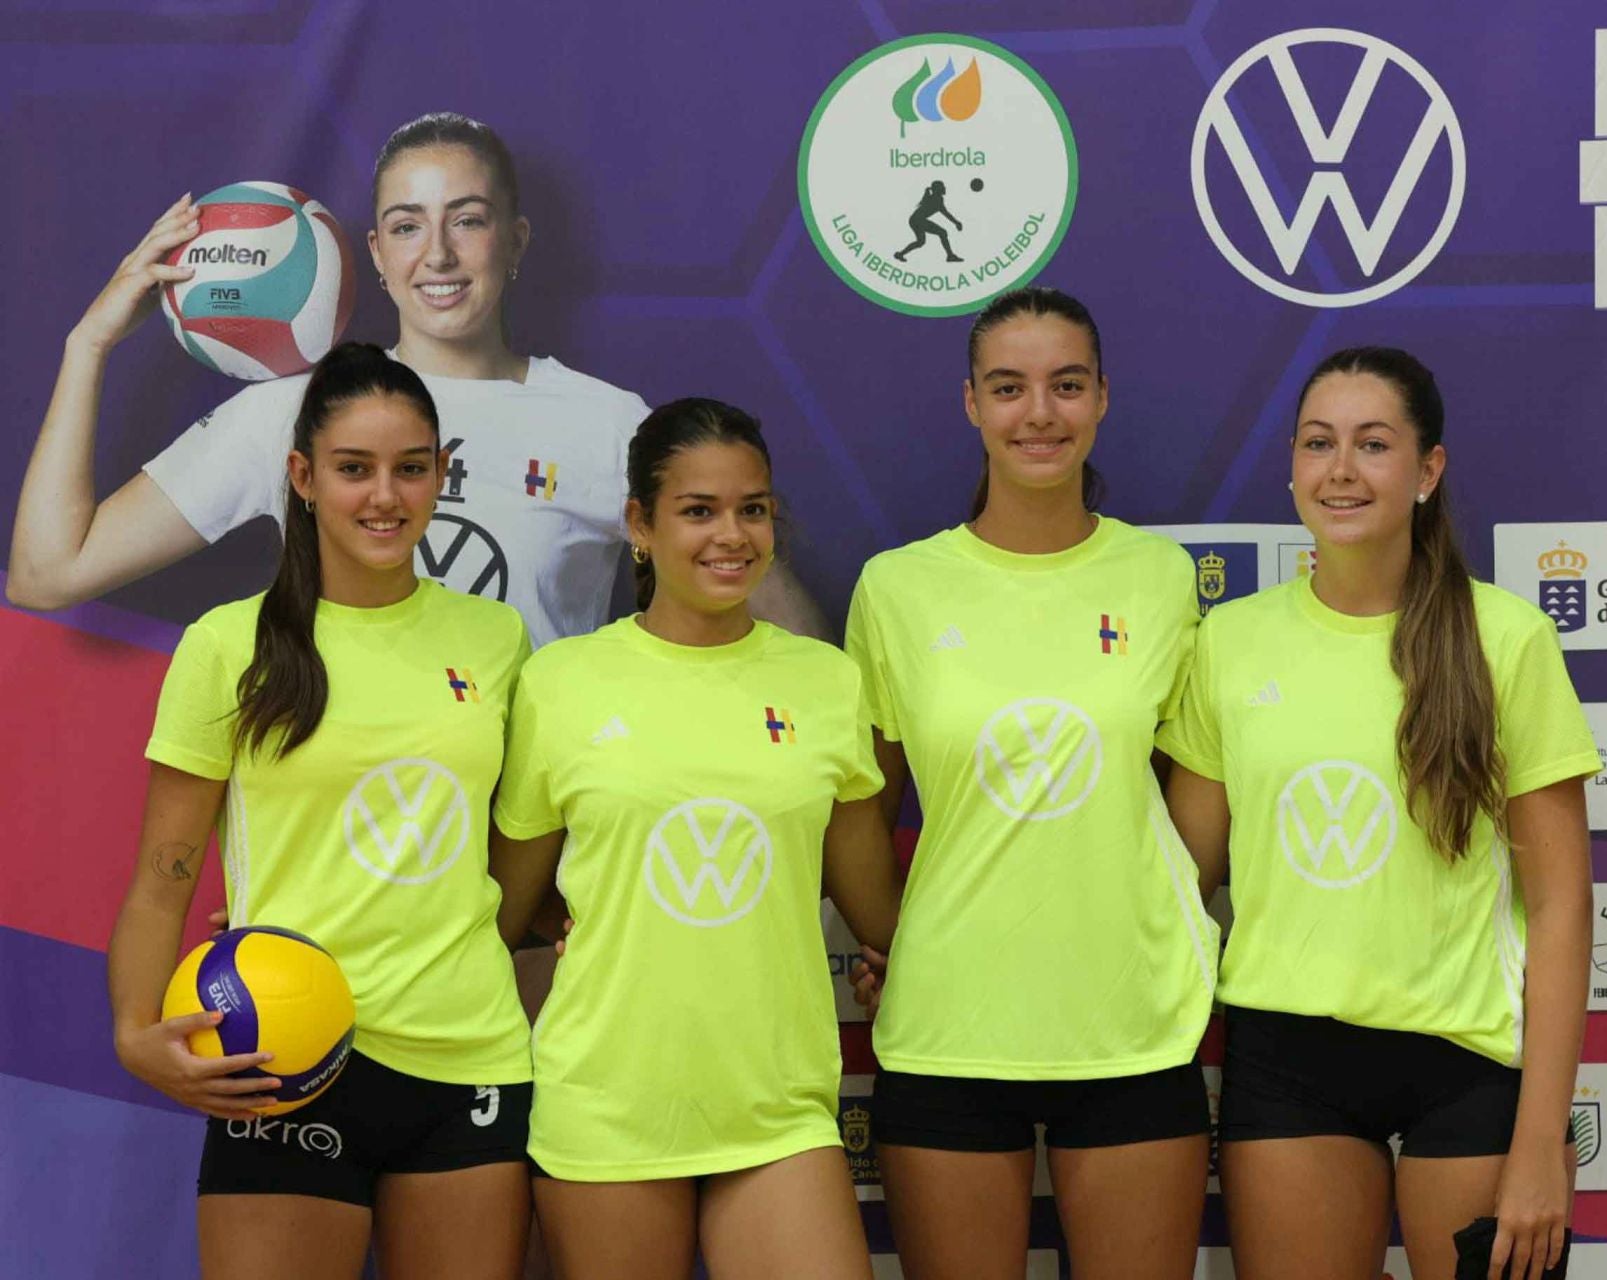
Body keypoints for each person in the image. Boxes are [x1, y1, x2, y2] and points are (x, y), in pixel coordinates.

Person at [7, 110, 822, 646]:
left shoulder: (612, 426)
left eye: (467, 220)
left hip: (529, 857)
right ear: (374, 256)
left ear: (516, 240)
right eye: (407, 225)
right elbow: (48, 574)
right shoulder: (294, 411)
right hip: (344, 839)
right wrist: (89, 345)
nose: (437, 254)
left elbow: (800, 650)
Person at [1158, 347, 1599, 1280]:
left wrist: (1539, 1144)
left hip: (1471, 1063)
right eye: (1319, 444)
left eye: (1373, 444)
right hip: (1287, 1063)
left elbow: (1561, 909)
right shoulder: (1230, 643)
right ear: (1291, 466)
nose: (1342, 470)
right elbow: (1174, 884)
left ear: (1427, 470)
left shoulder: (1506, 640)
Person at [107, 343, 533, 1280]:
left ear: (440, 474)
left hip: (471, 1056)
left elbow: (517, 849)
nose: (385, 496)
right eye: (353, 469)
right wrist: (138, 1034)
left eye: (410, 468)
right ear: (302, 477)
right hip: (283, 1057)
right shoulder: (229, 645)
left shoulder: (496, 639)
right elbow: (161, 876)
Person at [842, 286, 1217, 1279]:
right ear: (971, 403)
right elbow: (861, 817)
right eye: (1009, 387)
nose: (1038, 413)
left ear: (1102, 399)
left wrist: (1165, 915)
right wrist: (896, 941)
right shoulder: (896, 587)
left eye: (1066, 385)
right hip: (947, 1031)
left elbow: (1198, 802)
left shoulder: (1161, 576)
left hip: (1133, 1026)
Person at [488, 398, 901, 1280]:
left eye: (752, 509)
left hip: (777, 1108)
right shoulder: (561, 684)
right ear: (639, 524)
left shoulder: (827, 683)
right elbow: (494, 913)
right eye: (698, 510)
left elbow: (881, 918)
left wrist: (902, 958)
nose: (732, 536)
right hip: (606, 1108)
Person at [893, 181, 963, 264]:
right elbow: (946, 213)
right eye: (942, 187)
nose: (945, 188)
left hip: (915, 220)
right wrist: (956, 223)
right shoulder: (937, 199)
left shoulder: (936, 198)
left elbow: (945, 213)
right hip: (918, 220)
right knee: (942, 233)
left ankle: (900, 254)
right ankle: (950, 256)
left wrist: (956, 223)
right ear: (938, 189)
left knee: (921, 242)